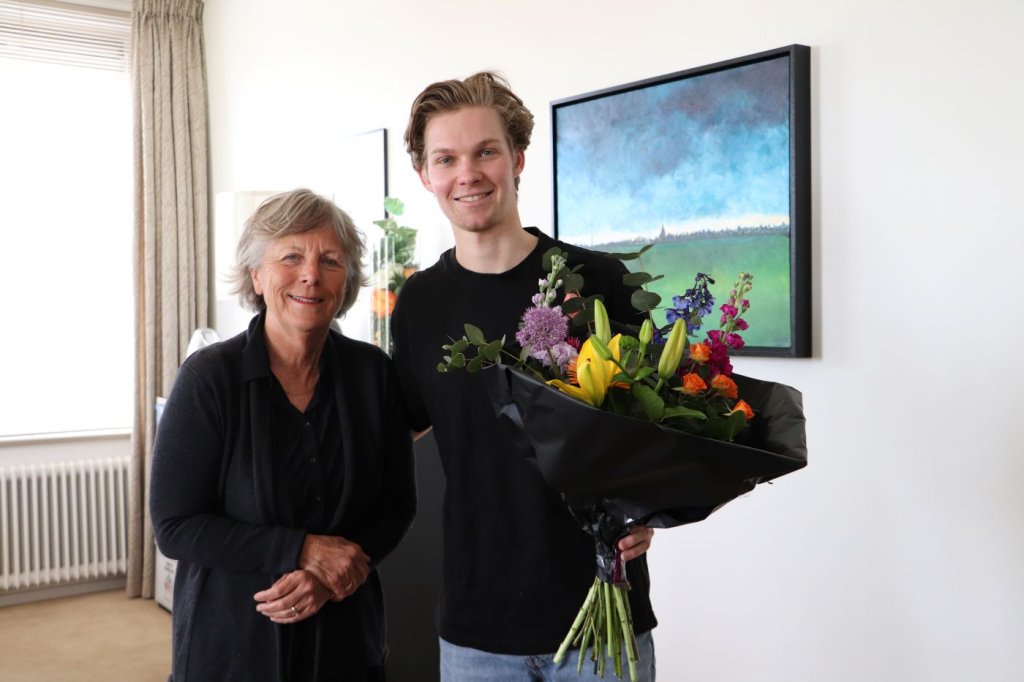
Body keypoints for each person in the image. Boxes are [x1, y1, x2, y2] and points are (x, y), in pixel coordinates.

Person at [390, 72, 657, 680]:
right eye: (447, 158)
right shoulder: (419, 304)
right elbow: (395, 429)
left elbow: (654, 426)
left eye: (485, 151)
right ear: (425, 176)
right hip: (477, 627)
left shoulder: (598, 282)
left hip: (602, 610)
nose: (468, 173)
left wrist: (649, 510)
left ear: (517, 158)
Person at [150, 189, 416, 681]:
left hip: (346, 642)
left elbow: (398, 504)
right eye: (291, 256)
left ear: (347, 280)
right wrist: (303, 551)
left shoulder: (372, 375)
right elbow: (174, 525)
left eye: (330, 260)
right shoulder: (209, 379)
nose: (311, 275)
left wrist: (332, 573)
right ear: (256, 274)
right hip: (233, 644)